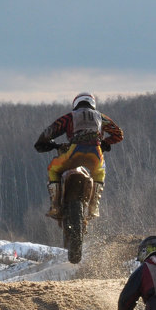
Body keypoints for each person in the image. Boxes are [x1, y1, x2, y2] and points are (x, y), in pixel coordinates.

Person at [33, 92, 124, 220]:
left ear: (75, 104)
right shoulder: (101, 117)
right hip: (95, 153)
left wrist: (42, 143)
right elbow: (118, 134)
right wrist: (105, 143)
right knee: (100, 172)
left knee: (53, 169)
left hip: (74, 152)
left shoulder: (70, 117)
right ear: (92, 104)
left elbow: (49, 131)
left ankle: (55, 206)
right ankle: (94, 207)